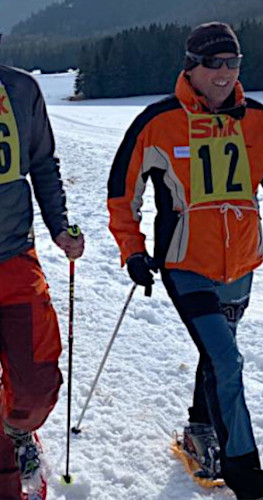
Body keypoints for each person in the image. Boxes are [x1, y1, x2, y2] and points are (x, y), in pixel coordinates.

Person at [108, 21, 263, 500]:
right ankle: (249, 482)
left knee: (218, 358)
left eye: (233, 62)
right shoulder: (159, 121)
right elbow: (123, 193)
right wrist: (133, 251)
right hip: (185, 263)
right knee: (226, 358)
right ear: (191, 67)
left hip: (241, 264)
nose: (224, 73)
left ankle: (201, 429)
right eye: (213, 64)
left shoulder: (258, 119)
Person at [0, 60, 84, 499]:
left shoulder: (19, 88)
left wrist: (59, 226)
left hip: (14, 255)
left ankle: (17, 431)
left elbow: (42, 163)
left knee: (36, 384)